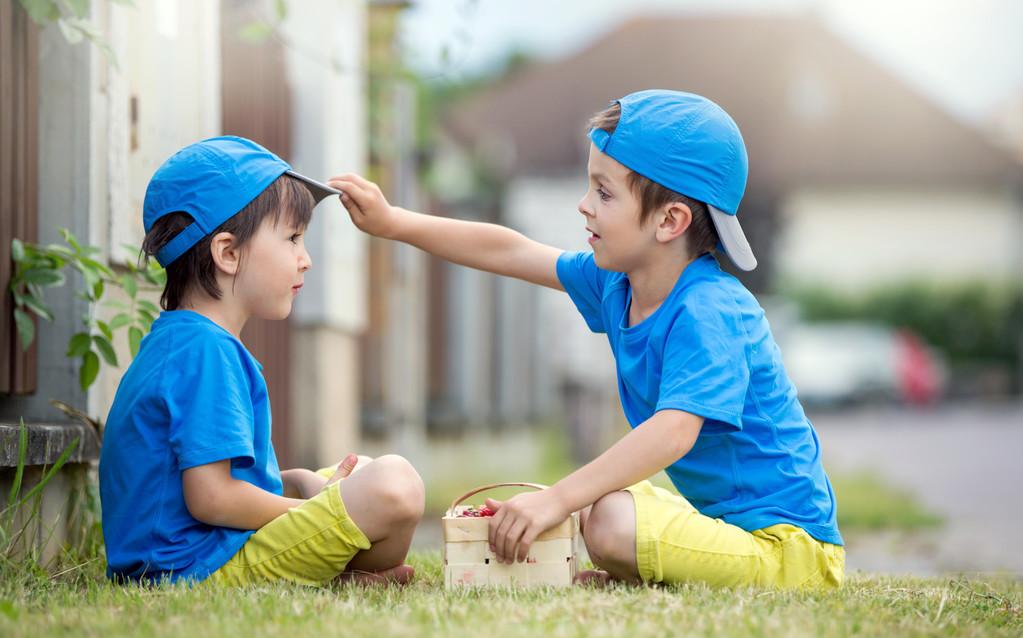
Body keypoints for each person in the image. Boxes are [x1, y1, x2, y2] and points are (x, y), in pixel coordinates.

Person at [330, 91, 844, 589]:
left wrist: (557, 498)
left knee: (610, 523)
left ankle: (662, 561)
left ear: (670, 220)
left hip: (789, 549)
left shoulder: (710, 309)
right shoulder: (617, 283)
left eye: (603, 192)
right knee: (608, 512)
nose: (584, 205)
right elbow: (510, 251)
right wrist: (394, 222)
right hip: (729, 532)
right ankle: (659, 563)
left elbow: (673, 432)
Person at [100, 136, 423, 587]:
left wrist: (301, 483)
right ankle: (342, 577)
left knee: (367, 470)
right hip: (196, 569)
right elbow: (211, 499)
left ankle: (343, 573)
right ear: (227, 253)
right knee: (395, 483)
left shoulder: (187, 340)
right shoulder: (205, 350)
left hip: (200, 554)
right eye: (292, 238)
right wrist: (313, 512)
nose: (305, 260)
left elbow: (208, 483)